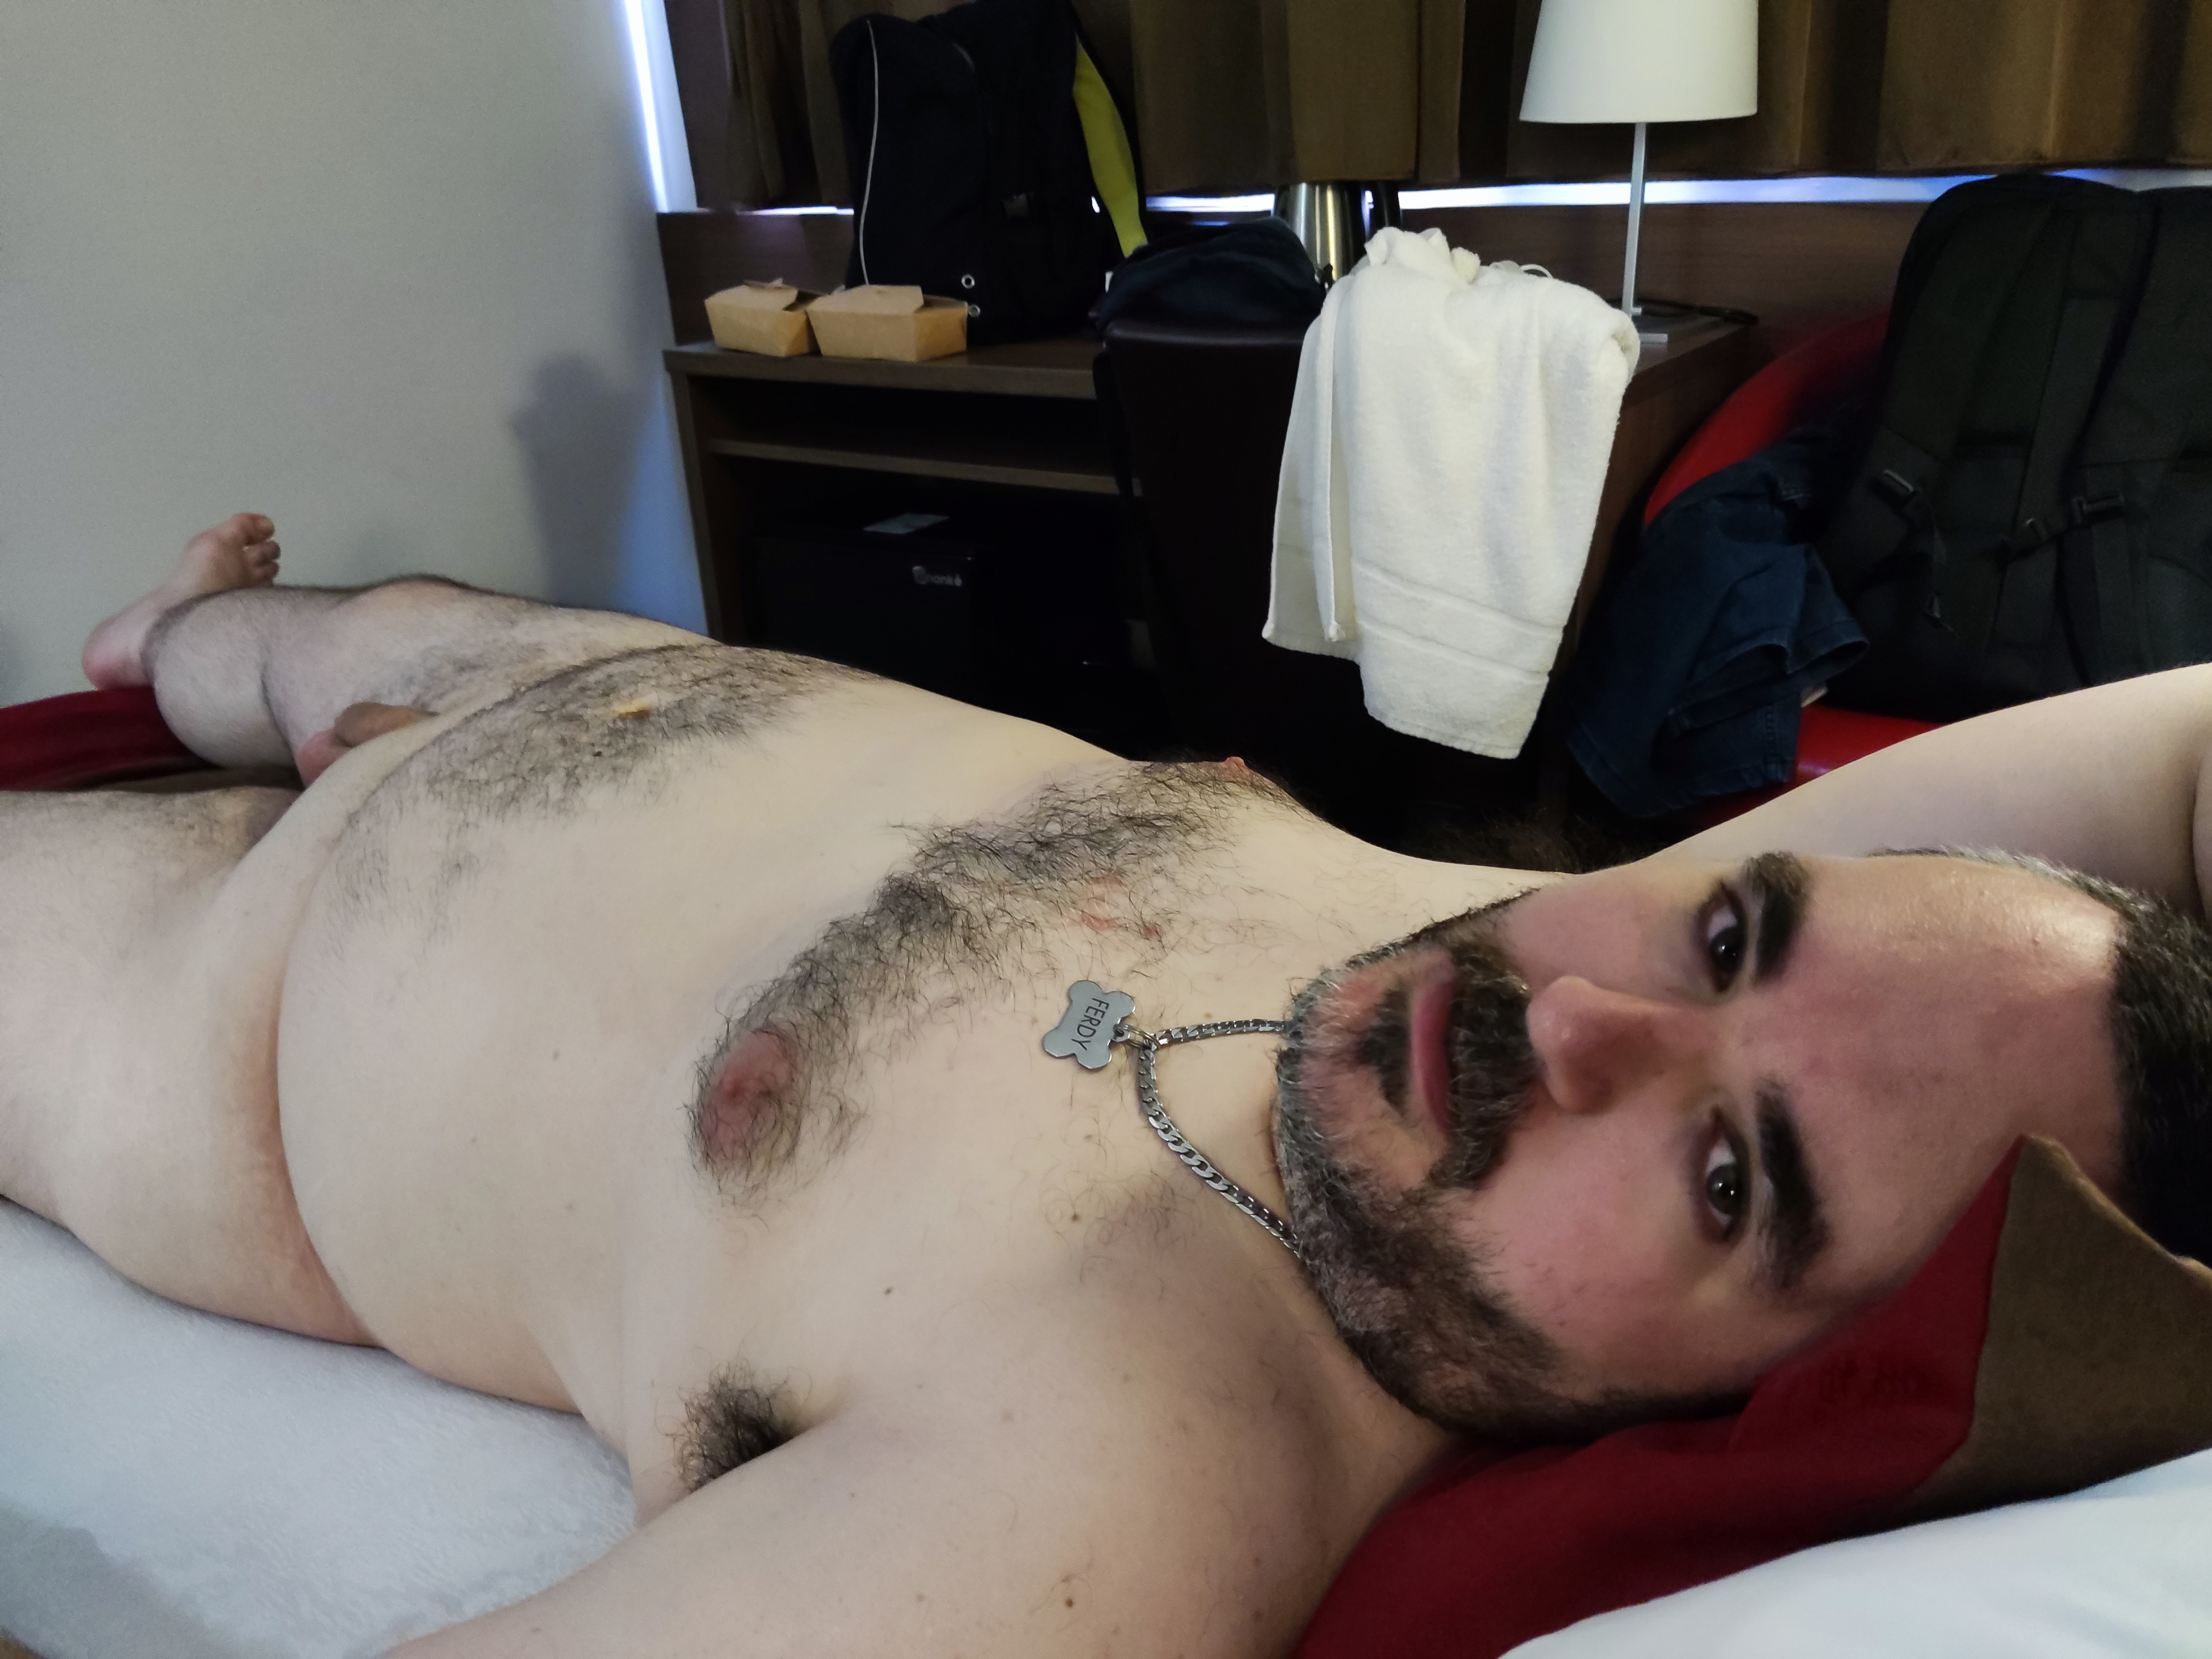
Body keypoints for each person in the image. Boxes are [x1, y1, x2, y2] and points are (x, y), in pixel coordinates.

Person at [6, 512, 2209, 1656]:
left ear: (1752, 1396)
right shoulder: (1585, 945)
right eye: (1735, 933)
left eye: (1728, 1180)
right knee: (257, 643)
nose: (1583, 1028)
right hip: (613, 688)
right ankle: (185, 635)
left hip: (226, 1007)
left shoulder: (1109, 1497)